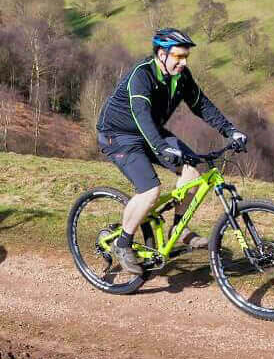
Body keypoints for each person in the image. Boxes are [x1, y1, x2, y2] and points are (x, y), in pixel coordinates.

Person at [94, 28, 248, 275]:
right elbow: (141, 115)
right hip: (119, 136)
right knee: (150, 190)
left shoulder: (181, 76)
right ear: (161, 54)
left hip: (152, 132)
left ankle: (180, 229)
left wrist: (230, 130)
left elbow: (202, 105)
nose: (183, 62)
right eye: (178, 56)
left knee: (192, 174)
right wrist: (161, 147)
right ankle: (122, 244)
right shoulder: (141, 76)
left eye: (185, 57)